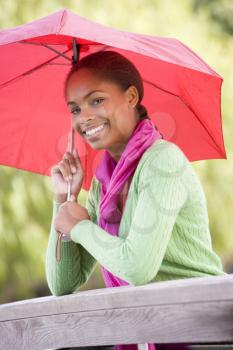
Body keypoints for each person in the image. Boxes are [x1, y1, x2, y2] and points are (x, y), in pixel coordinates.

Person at [45, 51, 226, 350]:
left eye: (97, 100)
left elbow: (138, 267)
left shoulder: (163, 161)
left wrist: (79, 228)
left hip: (201, 331)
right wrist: (64, 198)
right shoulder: (104, 184)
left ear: (131, 97)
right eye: (75, 109)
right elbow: (63, 284)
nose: (84, 117)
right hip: (147, 330)